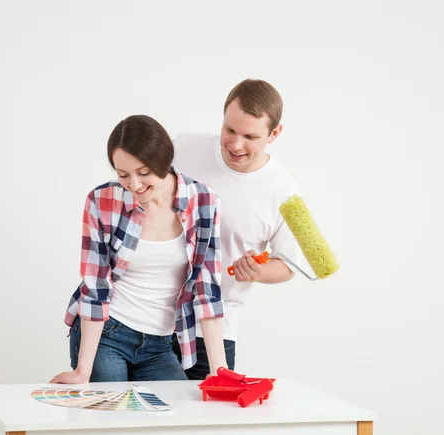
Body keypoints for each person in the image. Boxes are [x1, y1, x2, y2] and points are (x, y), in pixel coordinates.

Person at [50, 115, 227, 384]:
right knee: (114, 418)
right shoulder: (102, 200)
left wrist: (220, 372)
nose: (134, 184)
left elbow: (207, 287)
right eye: (123, 174)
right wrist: (82, 371)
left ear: (164, 163)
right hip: (108, 332)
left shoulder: (203, 200)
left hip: (160, 344)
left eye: (143, 172)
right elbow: (96, 285)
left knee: (174, 419)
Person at [172, 79, 305, 380]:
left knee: (203, 423)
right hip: (151, 317)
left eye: (250, 136)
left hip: (215, 329)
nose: (235, 144)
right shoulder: (181, 148)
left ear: (275, 133)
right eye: (230, 130)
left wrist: (258, 271)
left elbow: (288, 266)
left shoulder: (287, 193)